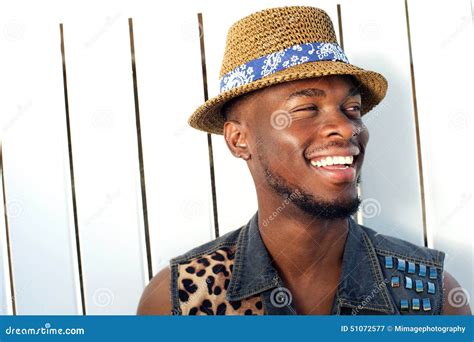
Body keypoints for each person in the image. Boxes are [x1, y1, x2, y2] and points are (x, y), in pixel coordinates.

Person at [137, 6, 471, 315]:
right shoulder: (177, 301)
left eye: (351, 110)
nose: (346, 127)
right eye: (306, 109)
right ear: (239, 140)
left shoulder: (432, 295)